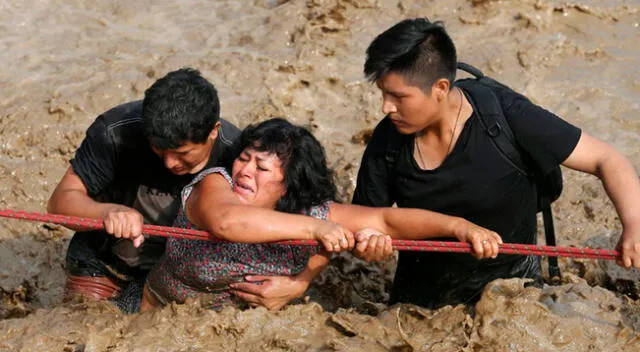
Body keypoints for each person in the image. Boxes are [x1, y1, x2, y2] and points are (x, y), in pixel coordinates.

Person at [351, 18, 640, 309]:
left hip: (513, 292)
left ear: (440, 88)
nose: (385, 107)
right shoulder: (386, 142)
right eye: (383, 93)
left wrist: (635, 224)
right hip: (421, 301)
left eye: (398, 96)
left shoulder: (505, 116)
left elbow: (607, 159)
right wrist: (368, 246)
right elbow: (363, 223)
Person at [140, 118, 503, 311]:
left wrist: (459, 227)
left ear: (289, 185)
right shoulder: (213, 185)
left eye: (261, 168)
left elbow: (386, 221)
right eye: (243, 158)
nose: (243, 171)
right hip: (158, 315)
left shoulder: (310, 211)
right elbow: (228, 224)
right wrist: (318, 230)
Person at [47, 68, 241, 311]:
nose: (170, 163)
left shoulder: (238, 155)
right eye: (159, 150)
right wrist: (108, 212)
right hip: (106, 264)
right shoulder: (114, 132)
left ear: (213, 131)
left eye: (182, 153)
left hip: (185, 273)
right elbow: (59, 203)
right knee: (83, 328)